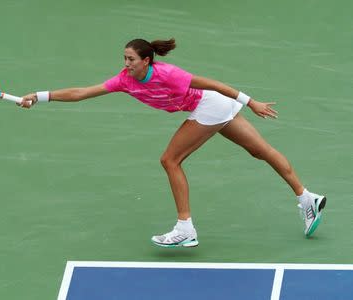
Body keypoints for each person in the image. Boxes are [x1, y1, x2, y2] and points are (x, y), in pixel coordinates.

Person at [19, 38, 327, 248]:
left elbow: (215, 84)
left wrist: (251, 102)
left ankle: (185, 229)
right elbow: (82, 92)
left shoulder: (168, 74)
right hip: (211, 108)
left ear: (146, 60)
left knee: (170, 160)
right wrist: (41, 96)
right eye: (124, 59)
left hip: (211, 104)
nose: (125, 64)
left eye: (131, 59)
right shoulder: (125, 81)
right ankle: (306, 197)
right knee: (260, 151)